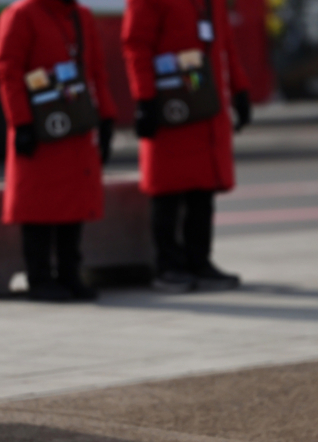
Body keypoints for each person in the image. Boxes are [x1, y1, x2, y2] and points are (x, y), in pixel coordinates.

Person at [121, 0, 251, 292]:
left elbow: (225, 45)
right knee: (167, 191)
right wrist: (145, 100)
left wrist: (240, 90)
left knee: (202, 192)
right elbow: (136, 46)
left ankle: (199, 261)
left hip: (207, 107)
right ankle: (168, 265)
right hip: (172, 106)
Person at [0, 0, 116, 301]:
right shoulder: (21, 15)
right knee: (37, 205)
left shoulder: (81, 16)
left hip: (76, 124)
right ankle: (39, 278)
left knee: (74, 202)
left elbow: (96, 69)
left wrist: (107, 117)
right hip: (40, 126)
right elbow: (8, 71)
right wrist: (20, 123)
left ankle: (69, 274)